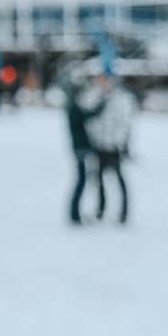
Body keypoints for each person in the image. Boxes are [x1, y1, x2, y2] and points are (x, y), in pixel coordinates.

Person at [84, 73, 137, 225]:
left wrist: (118, 142)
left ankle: (124, 213)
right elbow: (91, 120)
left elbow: (125, 123)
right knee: (99, 180)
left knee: (119, 180)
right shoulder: (95, 96)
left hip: (113, 147)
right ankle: (100, 210)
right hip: (99, 146)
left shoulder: (121, 99)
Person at [63, 71, 105, 225]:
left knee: (82, 180)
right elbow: (90, 115)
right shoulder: (74, 108)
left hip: (80, 148)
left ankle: (75, 214)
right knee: (81, 181)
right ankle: (74, 215)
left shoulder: (72, 107)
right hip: (80, 149)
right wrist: (102, 104)